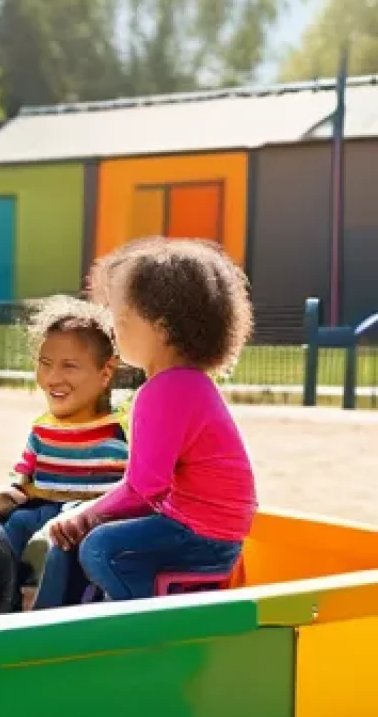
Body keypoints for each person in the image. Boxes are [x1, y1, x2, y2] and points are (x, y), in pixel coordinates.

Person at [32, 236, 257, 609]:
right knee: (74, 519)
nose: (114, 332)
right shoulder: (185, 383)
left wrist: (90, 514)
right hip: (201, 527)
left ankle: (140, 628)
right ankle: (49, 617)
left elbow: (143, 489)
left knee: (102, 547)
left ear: (163, 328)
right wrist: (85, 514)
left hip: (204, 537)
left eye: (122, 320)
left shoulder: (167, 390)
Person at [0, 296, 129, 615]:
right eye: (44, 363)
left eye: (69, 366)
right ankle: (2, 602)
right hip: (41, 508)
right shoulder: (42, 430)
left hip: (89, 518)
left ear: (106, 372)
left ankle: (43, 617)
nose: (53, 378)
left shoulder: (121, 428)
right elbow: (23, 480)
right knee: (3, 527)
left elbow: (139, 483)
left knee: (55, 541)